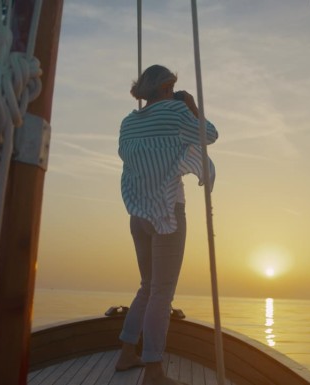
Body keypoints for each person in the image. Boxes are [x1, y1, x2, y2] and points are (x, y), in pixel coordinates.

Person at [115, 64, 218, 385]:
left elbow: (126, 155)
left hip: (138, 213)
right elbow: (210, 135)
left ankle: (125, 354)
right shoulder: (176, 112)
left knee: (148, 287)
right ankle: (154, 372)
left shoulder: (128, 122)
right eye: (173, 87)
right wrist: (191, 107)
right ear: (166, 86)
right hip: (169, 213)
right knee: (162, 292)